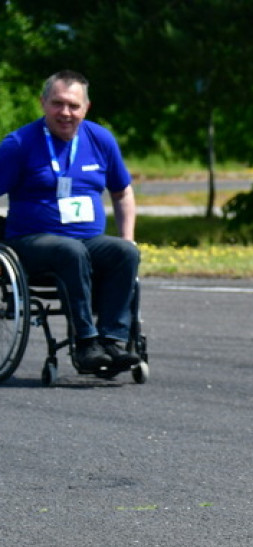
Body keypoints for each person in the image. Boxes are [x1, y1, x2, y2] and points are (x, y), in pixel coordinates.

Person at [0, 70, 140, 373]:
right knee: (70, 251)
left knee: (125, 252)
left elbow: (122, 192)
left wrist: (128, 236)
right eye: (57, 104)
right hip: (31, 242)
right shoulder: (19, 144)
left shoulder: (100, 139)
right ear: (43, 103)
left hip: (87, 240)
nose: (66, 112)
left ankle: (112, 340)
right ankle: (85, 343)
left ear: (86, 108)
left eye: (74, 106)